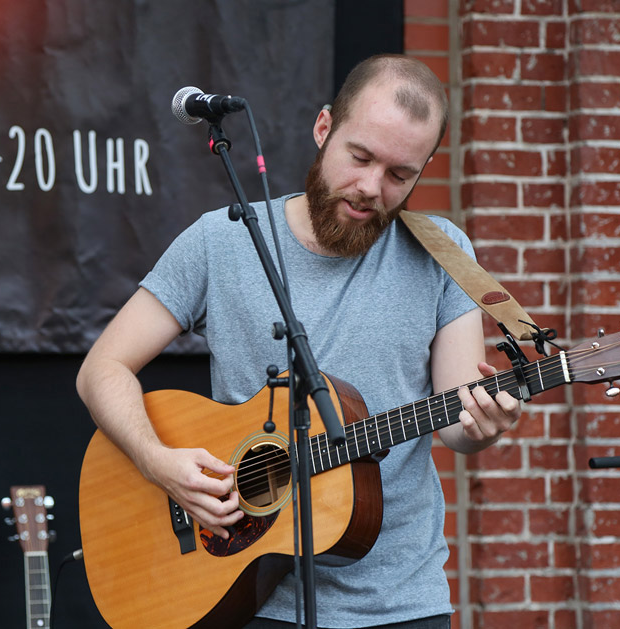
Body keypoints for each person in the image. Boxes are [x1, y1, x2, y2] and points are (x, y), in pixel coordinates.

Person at [76, 54, 522, 629]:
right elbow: (102, 368)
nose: (369, 188)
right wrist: (157, 461)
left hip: (401, 603)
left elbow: (458, 421)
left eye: (399, 175)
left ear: (424, 169)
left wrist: (484, 426)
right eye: (359, 157)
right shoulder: (222, 239)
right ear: (323, 128)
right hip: (244, 589)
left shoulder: (444, 253)